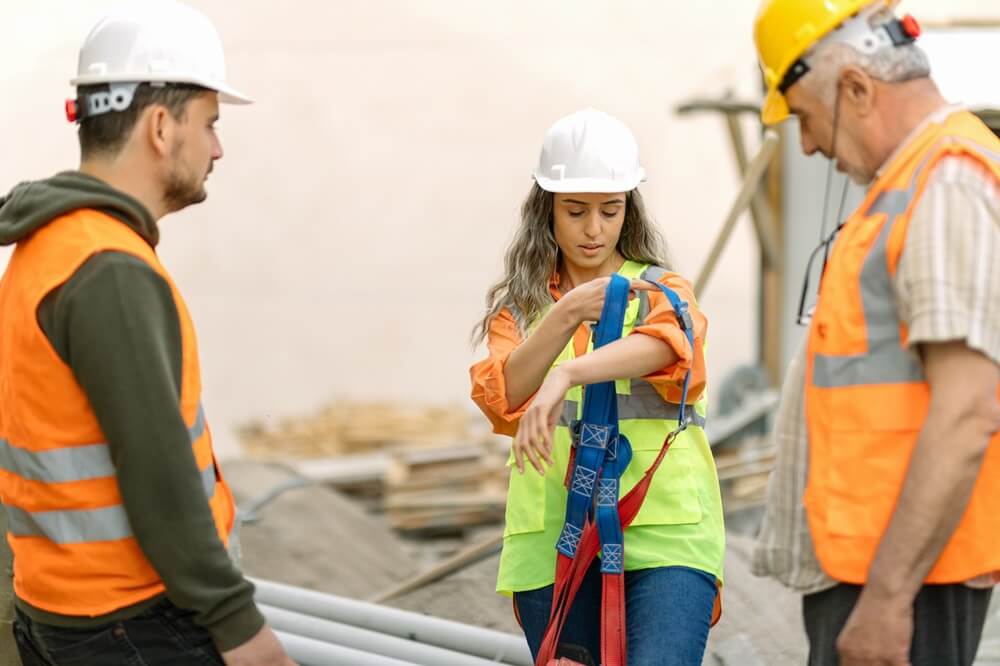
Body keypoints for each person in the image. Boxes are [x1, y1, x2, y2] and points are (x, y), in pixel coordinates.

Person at [0, 2, 293, 664]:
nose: (218, 148)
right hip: (135, 624)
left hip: (63, 615)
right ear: (161, 126)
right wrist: (240, 628)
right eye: (210, 123)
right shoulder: (109, 270)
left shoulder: (43, 248)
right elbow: (160, 475)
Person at [751, 1, 1000, 665]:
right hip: (878, 566)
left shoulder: (946, 184)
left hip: (904, 582)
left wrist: (888, 600)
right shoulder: (914, 182)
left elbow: (967, 411)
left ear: (857, 88)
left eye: (806, 117)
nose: (808, 145)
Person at [470, 108, 725, 666]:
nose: (594, 229)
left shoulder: (660, 291)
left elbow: (674, 346)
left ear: (629, 209)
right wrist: (564, 314)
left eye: (610, 211)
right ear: (547, 209)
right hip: (553, 542)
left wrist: (568, 372)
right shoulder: (521, 311)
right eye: (575, 211)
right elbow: (501, 395)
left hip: (663, 535)